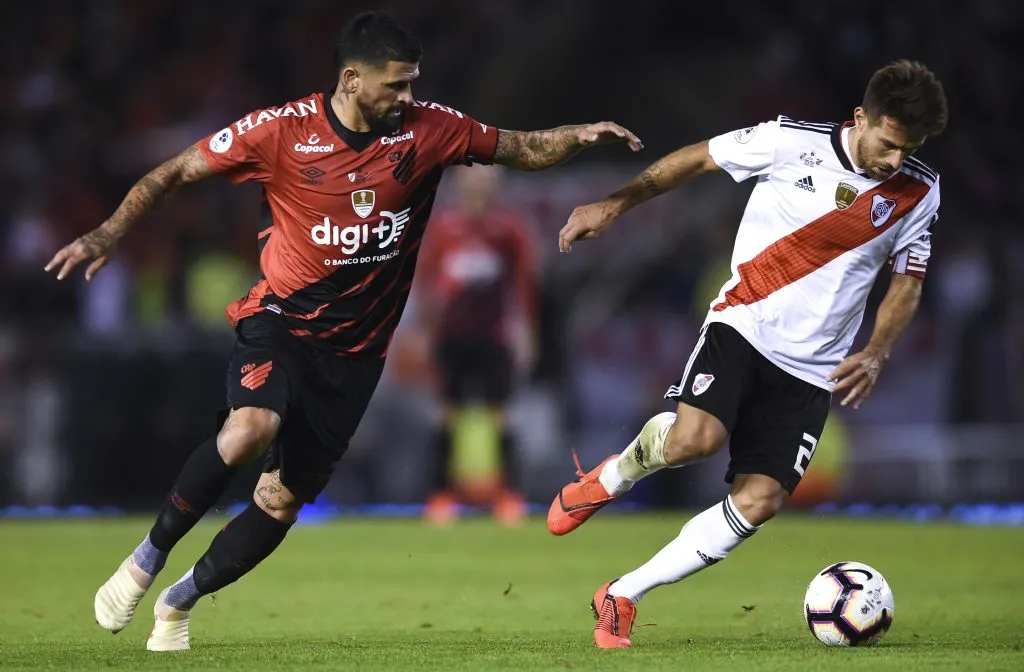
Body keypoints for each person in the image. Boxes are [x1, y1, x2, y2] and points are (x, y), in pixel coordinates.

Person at [46, 11, 642, 652]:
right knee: (250, 428)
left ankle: (179, 599)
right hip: (280, 321)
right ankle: (144, 562)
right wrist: (108, 231)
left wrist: (578, 135)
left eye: (413, 84)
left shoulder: (430, 132)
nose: (408, 98)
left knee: (278, 503)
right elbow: (173, 172)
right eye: (397, 85)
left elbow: (520, 148)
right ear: (352, 79)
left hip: (356, 356)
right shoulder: (280, 132)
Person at [546, 60, 947, 648]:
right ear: (860, 118)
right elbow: (698, 158)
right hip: (745, 324)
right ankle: (610, 477)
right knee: (693, 442)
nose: (894, 161)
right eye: (888, 144)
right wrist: (616, 203)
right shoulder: (789, 142)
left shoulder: (920, 190)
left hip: (812, 370)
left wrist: (878, 351)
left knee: (759, 501)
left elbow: (907, 282)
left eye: (907, 148)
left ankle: (623, 594)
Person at [415, 164, 538, 525]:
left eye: (488, 184)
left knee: (503, 416)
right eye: (475, 183)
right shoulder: (444, 229)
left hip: (494, 336)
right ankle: (440, 495)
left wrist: (527, 333)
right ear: (462, 187)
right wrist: (424, 331)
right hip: (451, 336)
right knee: (444, 416)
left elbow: (524, 284)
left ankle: (508, 495)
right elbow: (426, 282)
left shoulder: (509, 230)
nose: (481, 191)